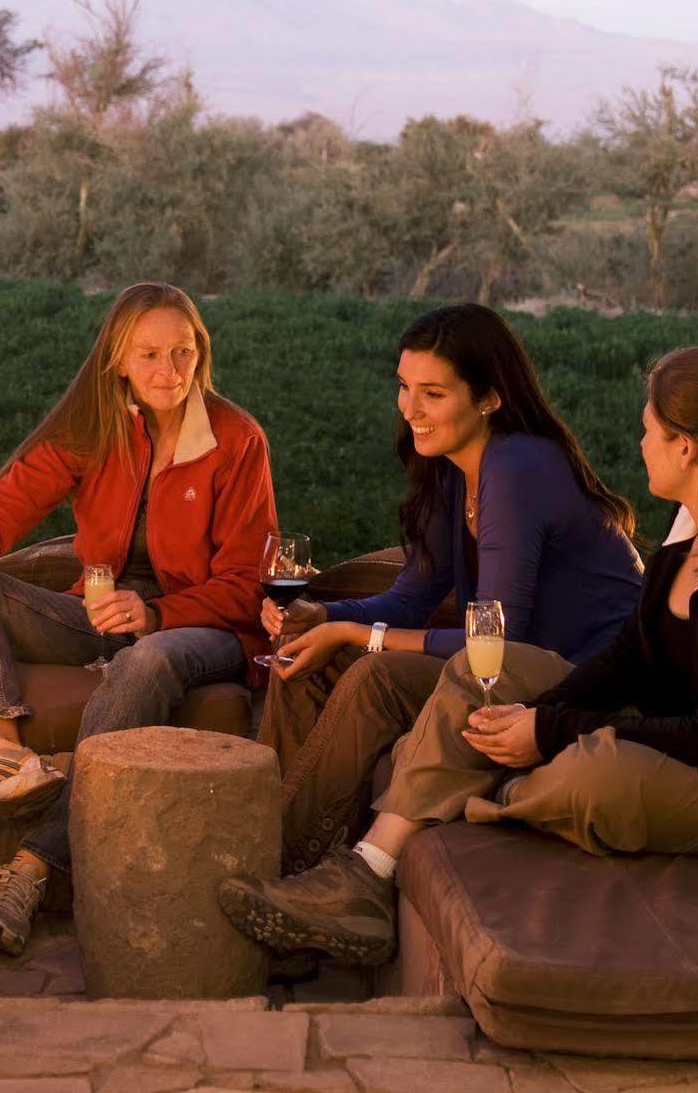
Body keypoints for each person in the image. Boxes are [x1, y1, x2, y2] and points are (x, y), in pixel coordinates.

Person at [220, 341, 698, 965]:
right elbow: (629, 658)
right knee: (480, 670)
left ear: (686, 448)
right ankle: (366, 872)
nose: (638, 443)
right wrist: (535, 709)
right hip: (694, 741)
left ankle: (452, 786)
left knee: (596, 778)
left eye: (648, 431)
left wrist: (547, 730)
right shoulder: (690, 532)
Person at [0, 281, 277, 955]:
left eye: (183, 353)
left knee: (146, 658)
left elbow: (246, 585)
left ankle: (32, 868)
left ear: (200, 355)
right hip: (97, 613)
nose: (169, 372)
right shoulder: (93, 432)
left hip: (202, 626)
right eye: (150, 354)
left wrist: (156, 611)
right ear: (117, 361)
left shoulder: (234, 439)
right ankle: (0, 750)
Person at [260, 303, 642, 872]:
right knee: (302, 659)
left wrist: (355, 633)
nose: (410, 409)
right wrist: (323, 617)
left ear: (489, 398)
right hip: (509, 660)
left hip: (585, 673)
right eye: (404, 386)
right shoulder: (450, 467)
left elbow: (496, 638)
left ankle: (295, 865)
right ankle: (271, 841)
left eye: (433, 394)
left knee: (374, 676)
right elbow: (409, 597)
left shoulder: (517, 467)